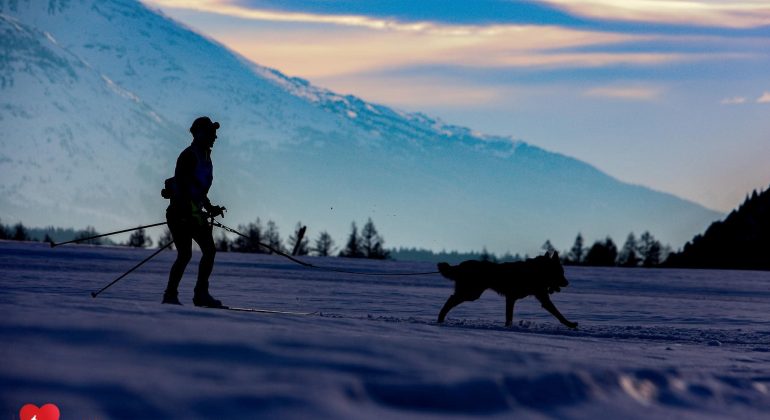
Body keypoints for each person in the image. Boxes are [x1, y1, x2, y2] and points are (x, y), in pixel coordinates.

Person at [162, 116, 226, 307]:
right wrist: (187, 213)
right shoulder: (189, 156)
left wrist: (209, 207)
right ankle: (171, 295)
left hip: (193, 213)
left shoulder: (205, 156)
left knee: (208, 251)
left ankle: (200, 294)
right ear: (200, 133)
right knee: (185, 254)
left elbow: (197, 189)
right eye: (212, 133)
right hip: (180, 213)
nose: (215, 137)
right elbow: (183, 188)